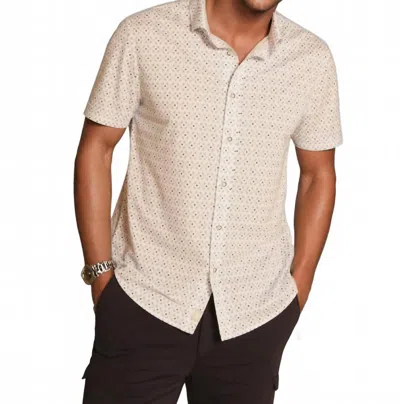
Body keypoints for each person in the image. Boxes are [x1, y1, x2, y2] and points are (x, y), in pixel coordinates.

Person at [74, 0, 343, 402]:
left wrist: (297, 290)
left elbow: (318, 174)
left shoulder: (311, 59)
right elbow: (97, 148)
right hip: (143, 299)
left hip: (254, 316)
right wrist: (100, 275)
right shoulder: (143, 35)